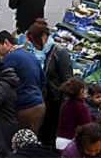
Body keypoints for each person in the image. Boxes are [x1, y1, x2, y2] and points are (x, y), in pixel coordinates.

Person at [27, 19, 73, 148]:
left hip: (54, 102)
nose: (34, 45)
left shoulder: (60, 52)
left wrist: (65, 106)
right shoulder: (34, 53)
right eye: (32, 42)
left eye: (35, 42)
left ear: (44, 36)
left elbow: (67, 79)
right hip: (38, 100)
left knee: (50, 135)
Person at [0, 31, 47, 135]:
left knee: (24, 145)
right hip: (39, 106)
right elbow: (43, 80)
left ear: (6, 42)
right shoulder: (30, 55)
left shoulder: (9, 58)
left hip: (26, 109)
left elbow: (1, 83)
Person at [56, 78, 92, 152]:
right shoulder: (82, 108)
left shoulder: (64, 105)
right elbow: (88, 128)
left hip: (59, 140)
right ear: (82, 91)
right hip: (72, 142)